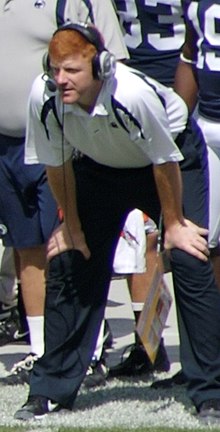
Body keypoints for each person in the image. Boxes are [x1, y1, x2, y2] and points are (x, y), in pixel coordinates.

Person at [13, 23, 220, 421]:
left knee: (191, 257)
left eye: (71, 70)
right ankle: (50, 388)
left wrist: (173, 224)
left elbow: (165, 159)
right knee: (71, 258)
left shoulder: (132, 94)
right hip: (98, 164)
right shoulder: (45, 96)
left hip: (170, 160)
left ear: (100, 65)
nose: (61, 79)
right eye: (55, 69)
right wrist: (71, 226)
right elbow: (55, 164)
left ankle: (208, 390)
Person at [0, 0, 129, 385]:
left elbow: (109, 65)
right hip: (4, 143)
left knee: (69, 240)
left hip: (56, 137)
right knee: (27, 247)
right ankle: (43, 350)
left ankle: (86, 347)